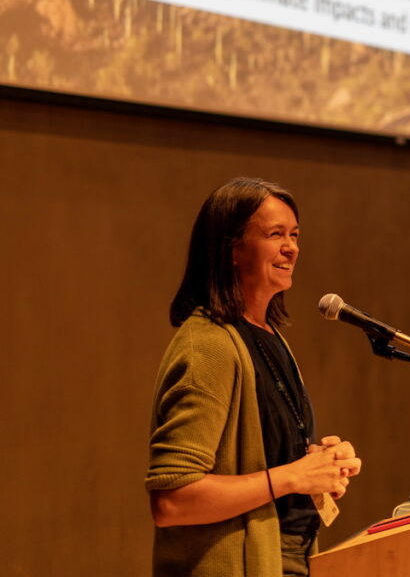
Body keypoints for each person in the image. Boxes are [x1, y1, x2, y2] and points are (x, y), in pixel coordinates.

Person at [145, 177, 361, 577]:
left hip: (290, 557)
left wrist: (319, 466)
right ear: (232, 249)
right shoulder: (208, 345)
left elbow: (267, 469)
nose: (291, 247)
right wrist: (292, 476)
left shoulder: (268, 336)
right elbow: (172, 500)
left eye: (294, 235)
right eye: (275, 234)